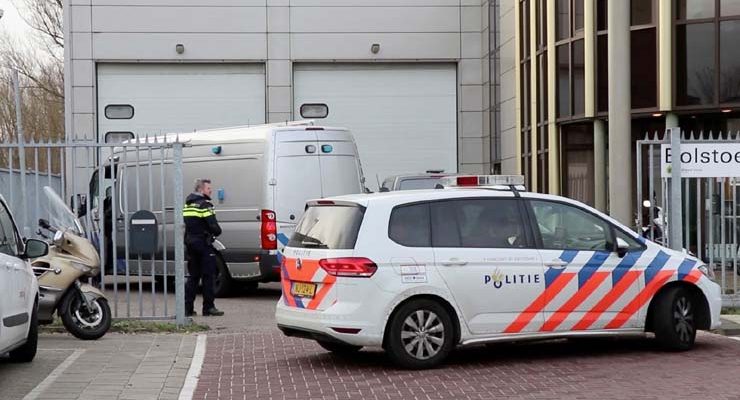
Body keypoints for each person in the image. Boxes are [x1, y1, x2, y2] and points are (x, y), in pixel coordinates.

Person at [184, 178, 224, 317]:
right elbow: (214, 226)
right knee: (208, 276)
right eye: (208, 189)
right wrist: (217, 231)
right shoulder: (205, 205)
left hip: (190, 244)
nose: (210, 190)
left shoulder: (188, 205)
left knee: (193, 277)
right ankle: (208, 308)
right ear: (201, 190)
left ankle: (187, 308)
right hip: (204, 244)